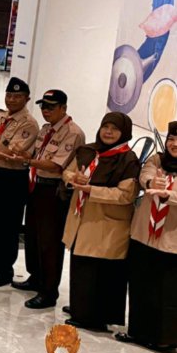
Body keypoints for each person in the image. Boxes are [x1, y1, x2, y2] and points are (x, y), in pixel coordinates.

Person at [62, 112, 140, 332]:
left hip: (107, 224)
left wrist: (91, 190)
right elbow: (66, 172)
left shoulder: (127, 159)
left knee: (101, 272)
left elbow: (125, 195)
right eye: (105, 126)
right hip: (82, 219)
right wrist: (73, 178)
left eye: (114, 129)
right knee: (82, 267)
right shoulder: (88, 151)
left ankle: (95, 318)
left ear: (123, 132)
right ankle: (81, 309)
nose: (108, 132)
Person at [15, 89, 85, 309]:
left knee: (49, 241)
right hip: (37, 185)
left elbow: (56, 165)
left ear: (63, 108)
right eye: (43, 106)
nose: (46, 111)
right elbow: (36, 156)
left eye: (51, 107)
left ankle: (48, 291)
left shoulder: (72, 132)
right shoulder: (46, 129)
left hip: (54, 190)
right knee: (33, 235)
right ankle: (36, 277)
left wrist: (28, 161)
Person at [117, 120, 177, 352]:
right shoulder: (158, 160)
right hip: (145, 235)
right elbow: (146, 173)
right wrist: (152, 182)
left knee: (169, 292)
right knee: (141, 284)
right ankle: (138, 331)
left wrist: (168, 195)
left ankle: (166, 338)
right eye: (171, 139)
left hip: (172, 241)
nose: (174, 144)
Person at [0, 77, 39, 287]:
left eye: (17, 96)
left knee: (8, 225)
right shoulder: (0, 116)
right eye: (9, 95)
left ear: (27, 99)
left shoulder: (29, 124)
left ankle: (5, 269)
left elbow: (9, 153)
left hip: (14, 178)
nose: (11, 100)